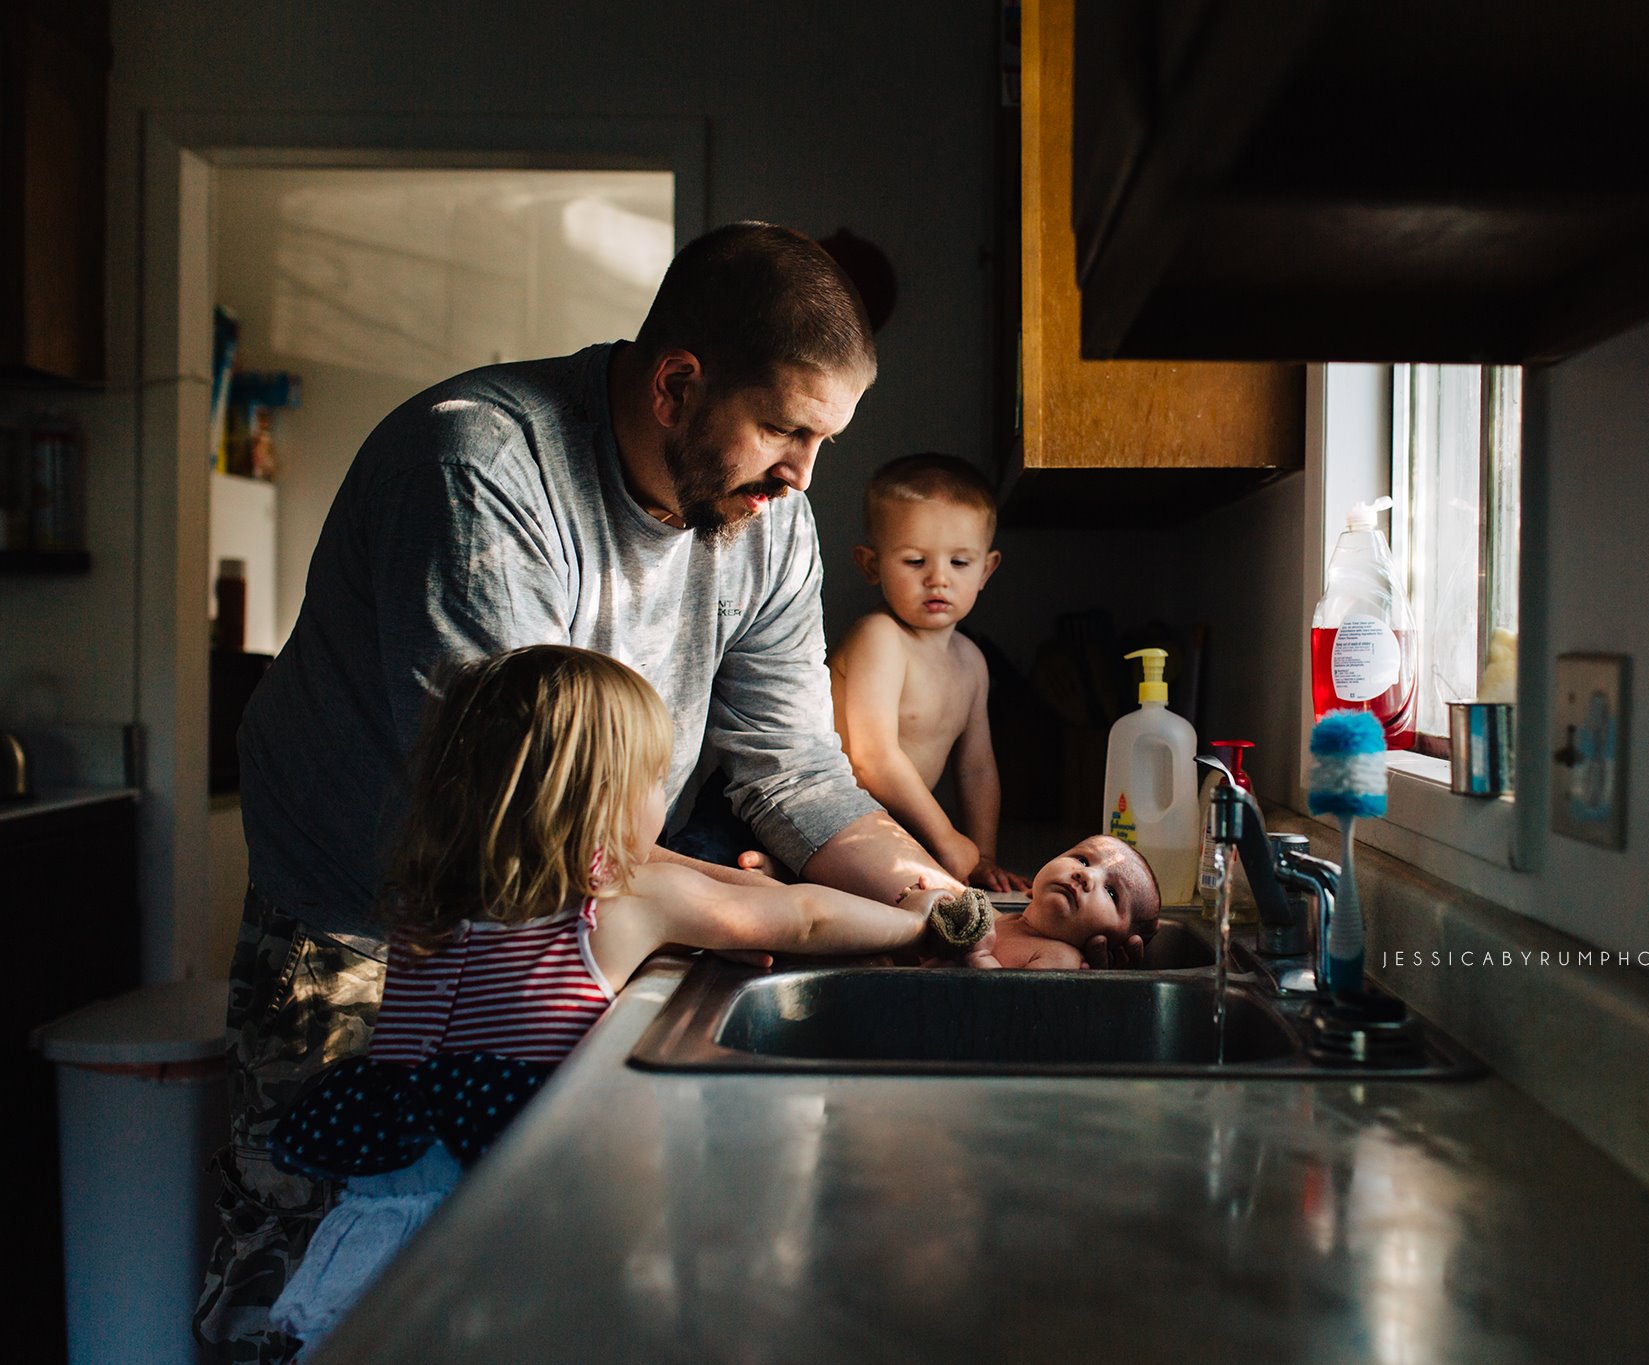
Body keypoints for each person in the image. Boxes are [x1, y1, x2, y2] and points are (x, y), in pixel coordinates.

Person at [197, 222, 975, 1364]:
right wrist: (769, 906)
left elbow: (790, 767)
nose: (804, 476)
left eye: (823, 439)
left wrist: (930, 891)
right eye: (784, 429)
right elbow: (518, 818)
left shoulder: (772, 522)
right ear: (676, 384)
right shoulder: (477, 467)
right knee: (307, 1297)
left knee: (496, 1305)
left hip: (555, 933)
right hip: (360, 935)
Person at [262, 646, 983, 1356]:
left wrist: (737, 900)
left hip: (386, 1203)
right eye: (652, 780)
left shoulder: (429, 904)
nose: (659, 802)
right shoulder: (615, 902)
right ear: (604, 799)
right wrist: (922, 919)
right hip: (511, 1214)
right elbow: (806, 919)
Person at [829, 453, 1028, 892]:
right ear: (870, 564)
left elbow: (976, 768)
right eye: (915, 561)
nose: (938, 579)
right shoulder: (879, 638)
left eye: (959, 563)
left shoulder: (971, 660)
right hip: (833, 821)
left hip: (894, 835)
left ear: (985, 570)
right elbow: (872, 759)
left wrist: (983, 853)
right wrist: (946, 839)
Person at [968, 835, 1162, 971]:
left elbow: (1012, 1004)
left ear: (1117, 946)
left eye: (1112, 893)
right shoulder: (1007, 920)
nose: (1086, 874)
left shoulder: (1060, 958)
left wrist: (979, 958)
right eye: (1082, 860)